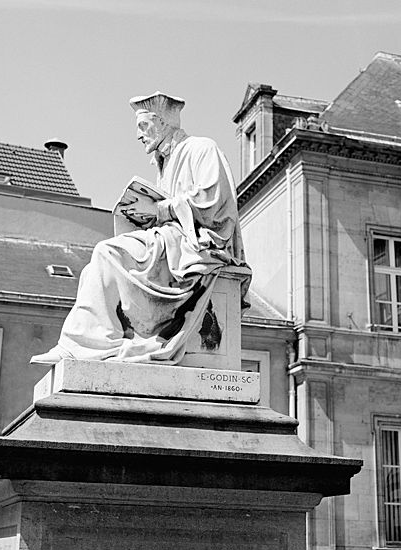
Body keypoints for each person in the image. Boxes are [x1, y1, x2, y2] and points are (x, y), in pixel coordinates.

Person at [30, 92, 249, 365]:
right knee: (92, 271)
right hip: (171, 239)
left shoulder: (202, 148)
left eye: (143, 126)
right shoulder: (165, 163)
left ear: (162, 124)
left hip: (199, 244)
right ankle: (86, 342)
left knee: (107, 252)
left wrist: (158, 210)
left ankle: (89, 345)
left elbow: (213, 205)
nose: (138, 135)